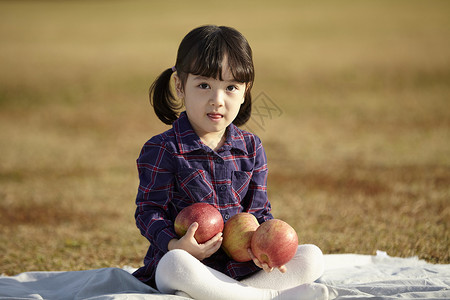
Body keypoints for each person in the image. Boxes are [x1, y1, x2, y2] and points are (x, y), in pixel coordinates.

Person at [133, 25, 328, 300]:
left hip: (242, 268)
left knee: (312, 257)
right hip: (192, 265)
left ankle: (235, 294)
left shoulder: (251, 148)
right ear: (179, 85)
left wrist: (266, 248)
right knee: (173, 266)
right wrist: (176, 243)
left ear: (245, 91)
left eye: (231, 87)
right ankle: (260, 297)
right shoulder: (163, 148)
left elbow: (259, 212)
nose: (217, 100)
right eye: (204, 86)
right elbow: (148, 211)